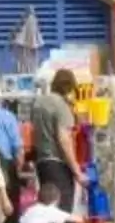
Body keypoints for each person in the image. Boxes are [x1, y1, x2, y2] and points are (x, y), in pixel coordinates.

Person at [30, 70, 81, 211]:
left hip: (42, 163)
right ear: (69, 88)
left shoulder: (38, 103)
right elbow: (64, 139)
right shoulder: (61, 106)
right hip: (58, 164)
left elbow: (32, 132)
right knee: (61, 212)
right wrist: (77, 171)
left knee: (47, 208)